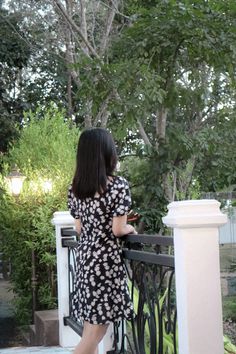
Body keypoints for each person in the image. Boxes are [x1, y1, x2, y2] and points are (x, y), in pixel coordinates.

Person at [67, 128, 136, 354]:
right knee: (97, 333)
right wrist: (130, 227)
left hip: (86, 260)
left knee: (90, 330)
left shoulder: (76, 187)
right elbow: (118, 229)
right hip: (105, 264)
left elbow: (79, 228)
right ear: (107, 153)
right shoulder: (117, 185)